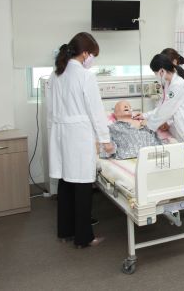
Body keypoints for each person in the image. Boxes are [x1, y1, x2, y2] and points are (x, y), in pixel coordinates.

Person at [47, 32, 113, 248]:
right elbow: (96, 111)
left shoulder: (56, 74)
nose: (92, 59)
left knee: (65, 183)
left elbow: (50, 109)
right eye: (92, 55)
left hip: (60, 133)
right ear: (85, 53)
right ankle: (84, 238)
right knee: (83, 186)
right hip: (79, 135)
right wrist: (105, 139)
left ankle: (65, 231)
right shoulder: (86, 76)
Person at [138, 53, 184, 142]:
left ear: (162, 71)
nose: (156, 76)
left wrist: (149, 125)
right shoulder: (169, 84)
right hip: (182, 128)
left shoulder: (178, 85)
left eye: (155, 73)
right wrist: (145, 115)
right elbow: (162, 107)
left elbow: (166, 110)